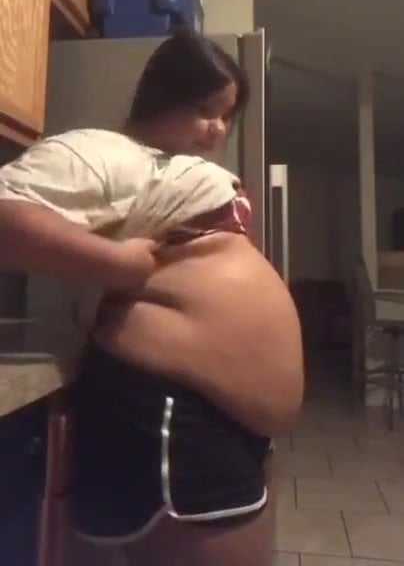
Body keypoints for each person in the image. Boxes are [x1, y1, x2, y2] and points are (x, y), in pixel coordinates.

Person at [0, 30, 303, 565]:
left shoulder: (172, 170)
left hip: (216, 416)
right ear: (162, 95)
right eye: (204, 109)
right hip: (170, 409)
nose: (218, 128)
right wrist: (117, 264)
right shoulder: (100, 151)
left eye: (226, 115)